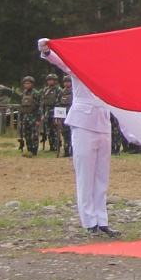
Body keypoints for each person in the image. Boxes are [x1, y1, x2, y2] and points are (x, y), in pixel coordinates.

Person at [38, 37, 117, 236]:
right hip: (83, 124)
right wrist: (46, 50)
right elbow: (59, 61)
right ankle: (89, 221)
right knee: (85, 175)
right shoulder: (78, 69)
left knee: (101, 177)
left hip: (103, 125)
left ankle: (102, 219)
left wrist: (132, 133)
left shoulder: (109, 75)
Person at [18, 75, 40, 155]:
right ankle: (29, 149)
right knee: (26, 134)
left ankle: (34, 151)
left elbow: (39, 107)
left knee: (33, 135)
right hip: (25, 117)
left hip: (33, 117)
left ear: (32, 84)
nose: (26, 85)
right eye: (25, 83)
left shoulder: (36, 93)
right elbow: (21, 107)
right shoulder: (23, 94)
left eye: (28, 83)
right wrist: (20, 120)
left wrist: (38, 119)